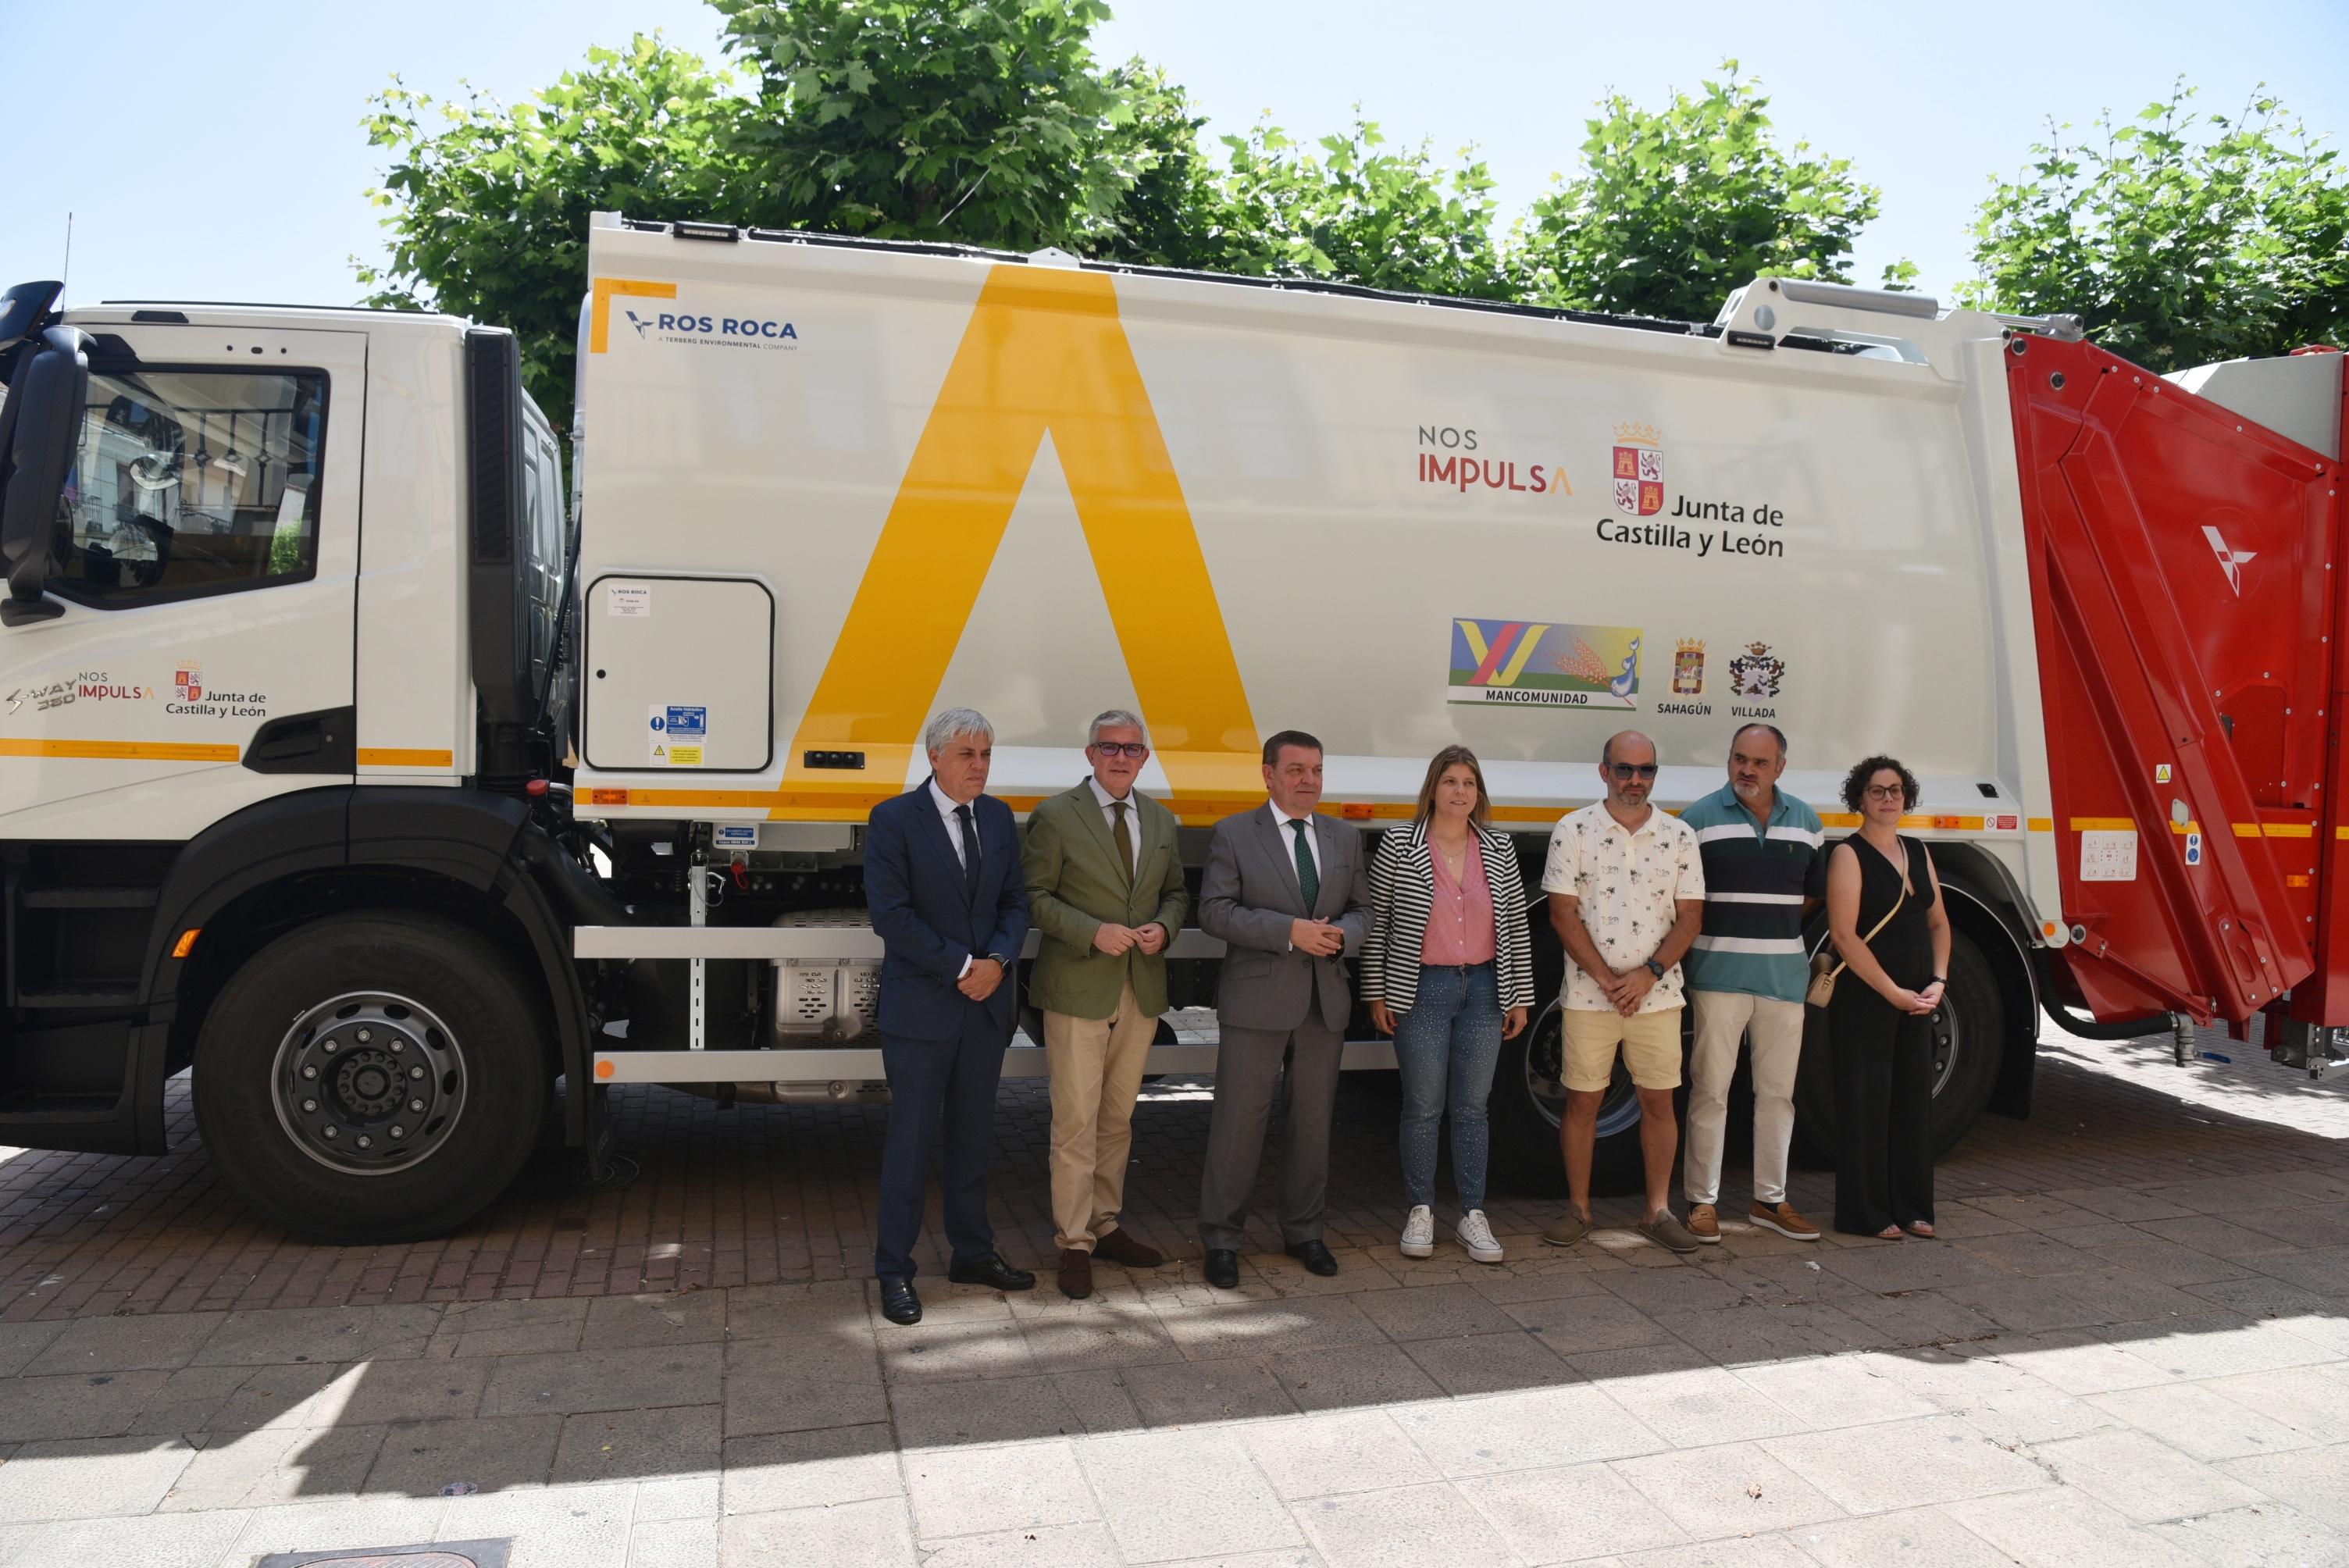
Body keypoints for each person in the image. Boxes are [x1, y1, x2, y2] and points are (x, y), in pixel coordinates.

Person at [864, 708, 1036, 1324]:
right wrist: (962, 966)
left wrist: (996, 958)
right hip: (925, 1008)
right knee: (910, 1144)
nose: (980, 766)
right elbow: (891, 915)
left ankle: (972, 1253)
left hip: (986, 1007)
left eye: (986, 754)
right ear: (934, 756)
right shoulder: (893, 820)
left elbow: (1016, 901)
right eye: (967, 754)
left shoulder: (996, 816)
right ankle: (894, 1271)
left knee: (973, 1139)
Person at [1021, 709, 1190, 1299]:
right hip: (1078, 985)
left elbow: (1176, 893)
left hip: (1139, 988)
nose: (1122, 757)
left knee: (1118, 1118)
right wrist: (1090, 930)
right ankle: (1073, 1243)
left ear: (1145, 757)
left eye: (1133, 749)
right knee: (1075, 1122)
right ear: (1090, 754)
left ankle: (1105, 1223)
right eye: (1110, 747)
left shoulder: (1161, 819)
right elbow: (1034, 896)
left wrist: (1165, 929)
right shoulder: (1055, 816)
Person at [1196, 729, 1372, 1288]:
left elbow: (1364, 912)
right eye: (1296, 770)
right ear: (1268, 774)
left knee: (1313, 1124)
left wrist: (1343, 935)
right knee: (1237, 1126)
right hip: (1256, 1000)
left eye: (1316, 771)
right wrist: (1289, 932)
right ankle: (1222, 1240)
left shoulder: (1344, 837)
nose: (1308, 781)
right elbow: (1215, 913)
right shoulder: (1233, 834)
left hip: (1325, 1002)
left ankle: (1305, 1232)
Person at [1363, 746, 1533, 1264]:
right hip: (1422, 991)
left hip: (1484, 989)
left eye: (1469, 783)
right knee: (1422, 1106)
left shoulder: (1499, 848)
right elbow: (1379, 923)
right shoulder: (1399, 844)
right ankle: (1421, 1209)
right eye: (1451, 781)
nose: (1460, 791)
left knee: (1472, 1107)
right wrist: (1375, 991)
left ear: (1478, 793)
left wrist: (1520, 996)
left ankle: (1473, 1214)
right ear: (1433, 789)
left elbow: (1517, 926)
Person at [1538, 731, 1706, 1254]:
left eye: (1646, 770)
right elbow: (1561, 913)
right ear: (1604, 771)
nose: (1635, 780)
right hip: (1590, 996)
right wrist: (1609, 978)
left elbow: (1692, 917)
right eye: (1625, 769)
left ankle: (1658, 1211)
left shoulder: (1679, 835)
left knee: (1659, 1102)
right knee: (1584, 1102)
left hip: (1657, 996)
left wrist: (1647, 974)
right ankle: (1579, 1211)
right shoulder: (1573, 830)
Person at [1678, 724, 1826, 1245]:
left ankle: (1770, 1200)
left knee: (1778, 1097)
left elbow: (1812, 895)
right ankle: (1701, 1202)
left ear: (1780, 768)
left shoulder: (1808, 822)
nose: (1747, 770)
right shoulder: (1696, 820)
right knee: (1710, 1092)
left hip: (1784, 981)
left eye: (1760, 763)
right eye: (1740, 758)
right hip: (1717, 980)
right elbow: (1681, 900)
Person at [1822, 754, 1950, 1240]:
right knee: (1865, 1103)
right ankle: (1867, 1213)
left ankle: (1914, 1208)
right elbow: (1845, 936)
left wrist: (1937, 981)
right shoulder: (1847, 855)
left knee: (1913, 1104)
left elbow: (1938, 923)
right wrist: (1893, 992)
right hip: (1868, 996)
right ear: (1859, 798)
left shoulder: (1917, 849)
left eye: (1896, 790)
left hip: (1918, 998)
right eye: (1877, 790)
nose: (1888, 798)